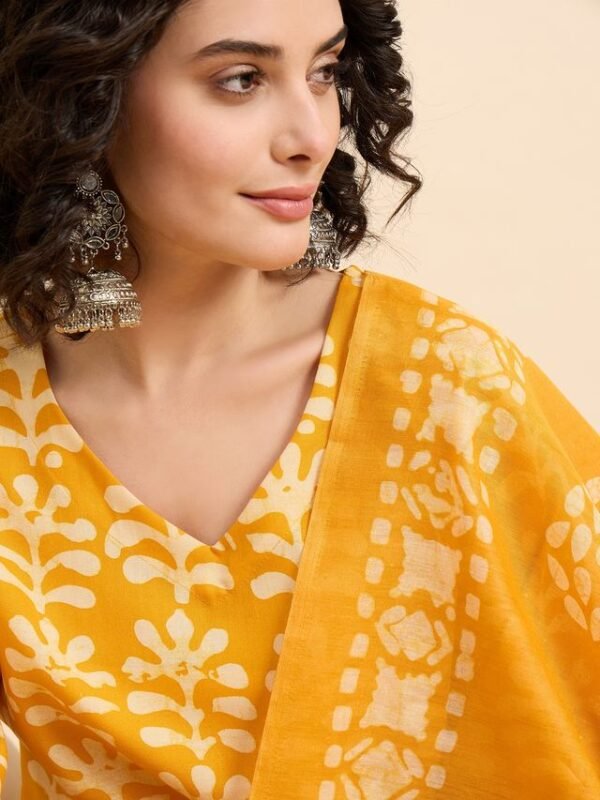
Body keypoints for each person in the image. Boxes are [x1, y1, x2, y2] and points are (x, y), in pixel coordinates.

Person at [0, 0, 598, 798]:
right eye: (240, 79)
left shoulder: (446, 386)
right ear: (87, 96)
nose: (312, 135)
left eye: (324, 72)